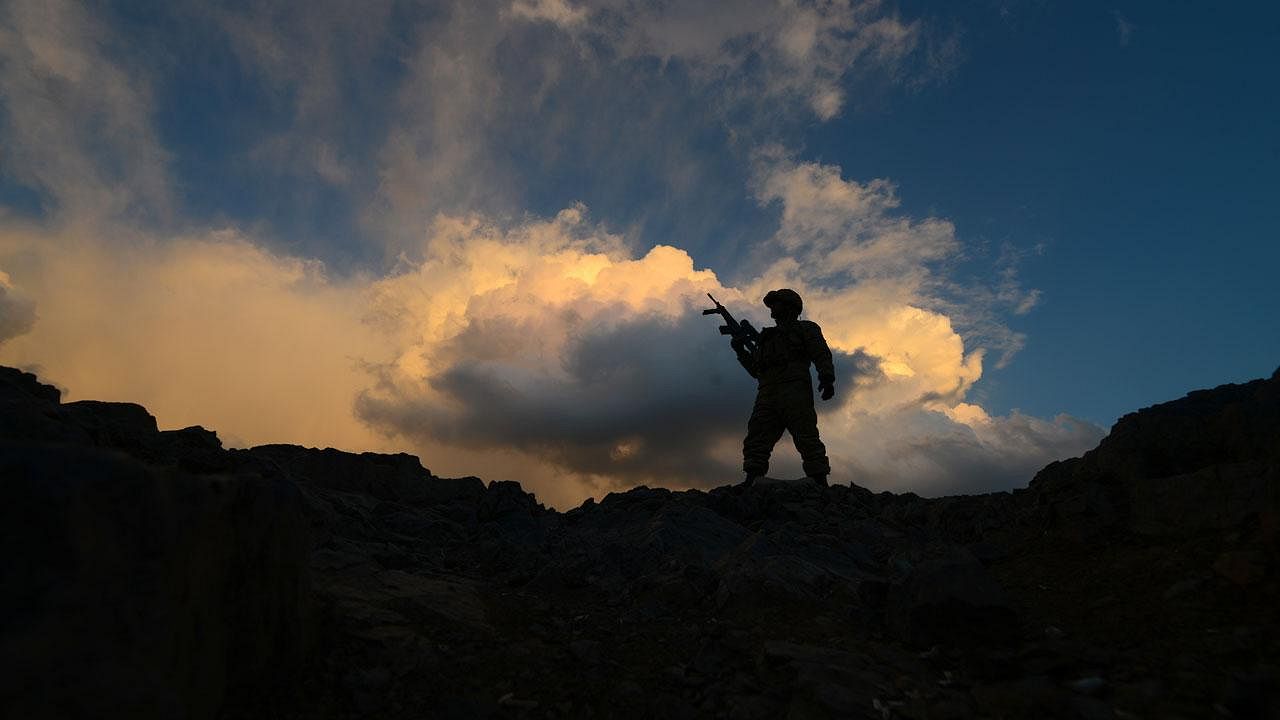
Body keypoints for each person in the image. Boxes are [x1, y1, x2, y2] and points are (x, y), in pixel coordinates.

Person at [733, 288, 835, 487]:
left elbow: (821, 353)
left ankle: (820, 480)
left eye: (776, 303)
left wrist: (827, 378)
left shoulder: (805, 328)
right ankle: (752, 477)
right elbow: (756, 371)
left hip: (795, 389)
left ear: (790, 306)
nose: (772, 307)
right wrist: (740, 351)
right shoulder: (767, 338)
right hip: (767, 393)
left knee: (806, 434)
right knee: (757, 436)